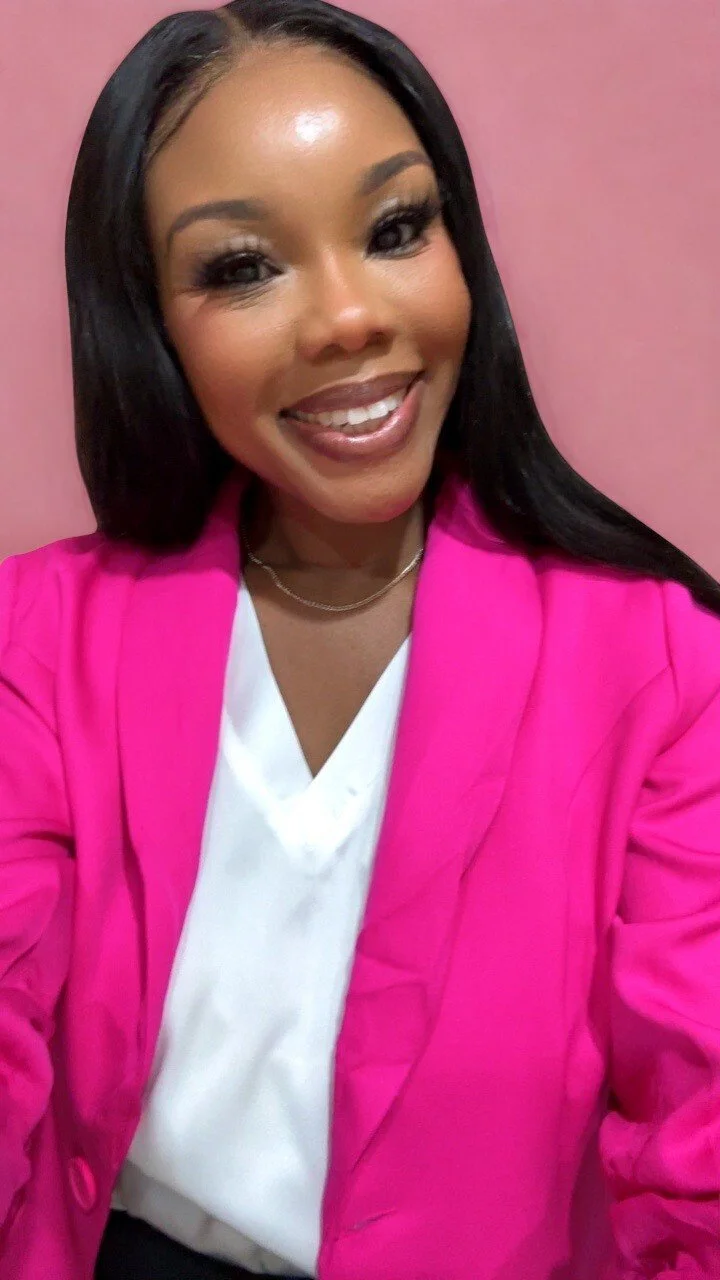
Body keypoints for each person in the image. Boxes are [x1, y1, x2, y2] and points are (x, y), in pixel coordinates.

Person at [1, 1, 720, 1276]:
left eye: (396, 229)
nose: (346, 318)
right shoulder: (41, 640)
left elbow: (702, 1147)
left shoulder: (663, 665)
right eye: (241, 267)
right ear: (151, 323)